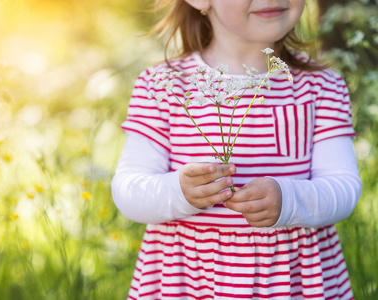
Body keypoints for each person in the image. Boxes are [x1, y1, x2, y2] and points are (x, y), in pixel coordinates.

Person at [111, 0, 362, 299]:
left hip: (292, 282)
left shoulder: (321, 86)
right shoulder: (162, 86)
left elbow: (344, 187)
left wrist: (289, 199)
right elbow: (128, 190)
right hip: (189, 280)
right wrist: (179, 191)